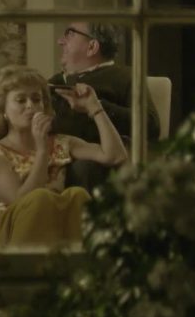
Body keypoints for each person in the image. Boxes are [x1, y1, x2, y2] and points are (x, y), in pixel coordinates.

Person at [0, 64, 128, 247]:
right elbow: (21, 202)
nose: (30, 106)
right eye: (20, 100)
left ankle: (77, 261)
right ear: (3, 110)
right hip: (10, 235)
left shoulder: (61, 142)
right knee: (41, 198)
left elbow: (116, 156)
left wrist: (95, 107)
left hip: (56, 232)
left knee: (76, 195)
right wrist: (42, 151)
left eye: (36, 99)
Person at [48, 22, 160, 193]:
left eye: (70, 34)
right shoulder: (55, 81)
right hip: (55, 153)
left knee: (84, 168)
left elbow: (150, 125)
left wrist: (95, 106)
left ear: (92, 47)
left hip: (99, 158)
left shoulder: (125, 77)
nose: (60, 41)